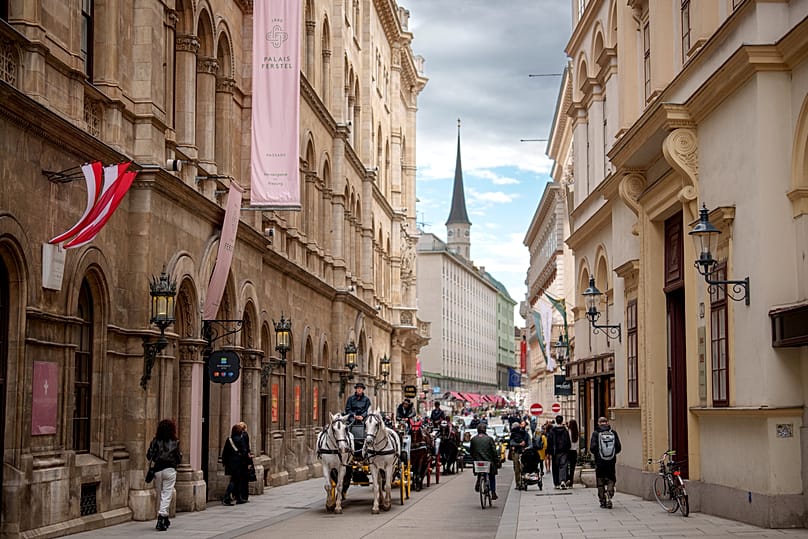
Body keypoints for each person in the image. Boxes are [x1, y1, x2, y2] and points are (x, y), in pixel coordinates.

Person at [146, 419, 182, 531]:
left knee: (160, 494)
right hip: (170, 469)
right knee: (167, 494)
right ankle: (161, 518)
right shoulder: (175, 441)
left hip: (158, 470)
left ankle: (165, 518)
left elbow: (149, 455)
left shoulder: (155, 441)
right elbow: (179, 458)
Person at [590, 416, 622, 508]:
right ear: (607, 423)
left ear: (599, 423)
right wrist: (611, 454)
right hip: (611, 461)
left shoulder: (596, 433)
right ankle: (609, 493)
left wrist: (598, 454)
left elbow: (592, 448)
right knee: (611, 478)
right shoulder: (613, 433)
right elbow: (619, 447)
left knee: (600, 481)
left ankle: (602, 501)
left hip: (600, 462)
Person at [221, 423, 251, 505]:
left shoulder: (229, 439)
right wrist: (248, 462)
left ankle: (238, 498)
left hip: (230, 463)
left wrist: (224, 462)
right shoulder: (240, 440)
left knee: (236, 480)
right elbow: (244, 451)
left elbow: (225, 452)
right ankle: (226, 497)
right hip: (239, 463)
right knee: (234, 480)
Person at [469, 423, 499, 500]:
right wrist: (497, 461)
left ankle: (479, 480)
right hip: (488, 462)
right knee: (492, 476)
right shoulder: (489, 439)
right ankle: (493, 492)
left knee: (480, 470)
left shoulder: (473, 439)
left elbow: (471, 451)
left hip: (477, 462)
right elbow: (494, 451)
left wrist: (474, 458)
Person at [546, 414, 572, 490]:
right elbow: (568, 442)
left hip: (555, 452)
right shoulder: (565, 431)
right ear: (562, 421)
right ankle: (562, 480)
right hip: (564, 451)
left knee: (555, 467)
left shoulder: (552, 431)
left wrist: (549, 452)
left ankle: (556, 482)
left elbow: (549, 442)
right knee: (563, 466)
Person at [509, 422, 529, 489]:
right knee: (522, 468)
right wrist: (522, 444)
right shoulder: (524, 433)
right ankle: (522, 482)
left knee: (517, 468)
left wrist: (516, 445)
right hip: (523, 451)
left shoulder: (513, 434)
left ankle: (519, 483)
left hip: (517, 452)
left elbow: (511, 443)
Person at [566, 419, 580, 489]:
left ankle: (567, 479)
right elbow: (578, 445)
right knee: (572, 467)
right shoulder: (577, 433)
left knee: (566, 466)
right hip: (574, 452)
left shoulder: (568, 432)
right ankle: (571, 481)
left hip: (568, 451)